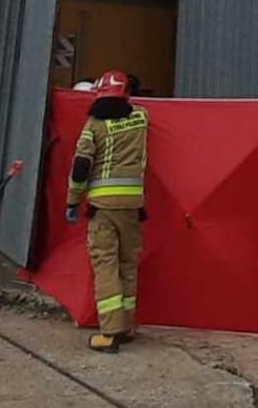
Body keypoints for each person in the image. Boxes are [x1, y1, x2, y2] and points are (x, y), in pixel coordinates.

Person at [64, 70, 149, 353]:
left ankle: (110, 333)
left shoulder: (94, 126)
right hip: (133, 206)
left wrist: (73, 201)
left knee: (106, 266)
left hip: (102, 207)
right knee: (128, 265)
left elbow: (80, 167)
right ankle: (127, 326)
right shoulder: (141, 118)